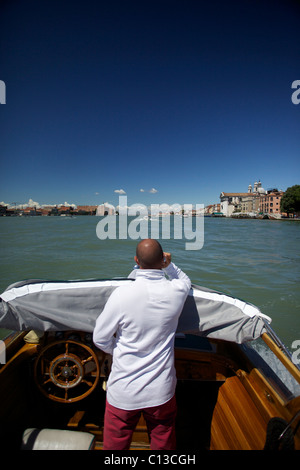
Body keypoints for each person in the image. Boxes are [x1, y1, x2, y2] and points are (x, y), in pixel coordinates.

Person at [93, 239, 191, 450]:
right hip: (160, 391)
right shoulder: (176, 291)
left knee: (115, 448)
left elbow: (100, 338)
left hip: (123, 392)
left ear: (136, 261)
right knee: (163, 443)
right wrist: (170, 265)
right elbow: (184, 279)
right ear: (163, 259)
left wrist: (117, 350)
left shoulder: (122, 294)